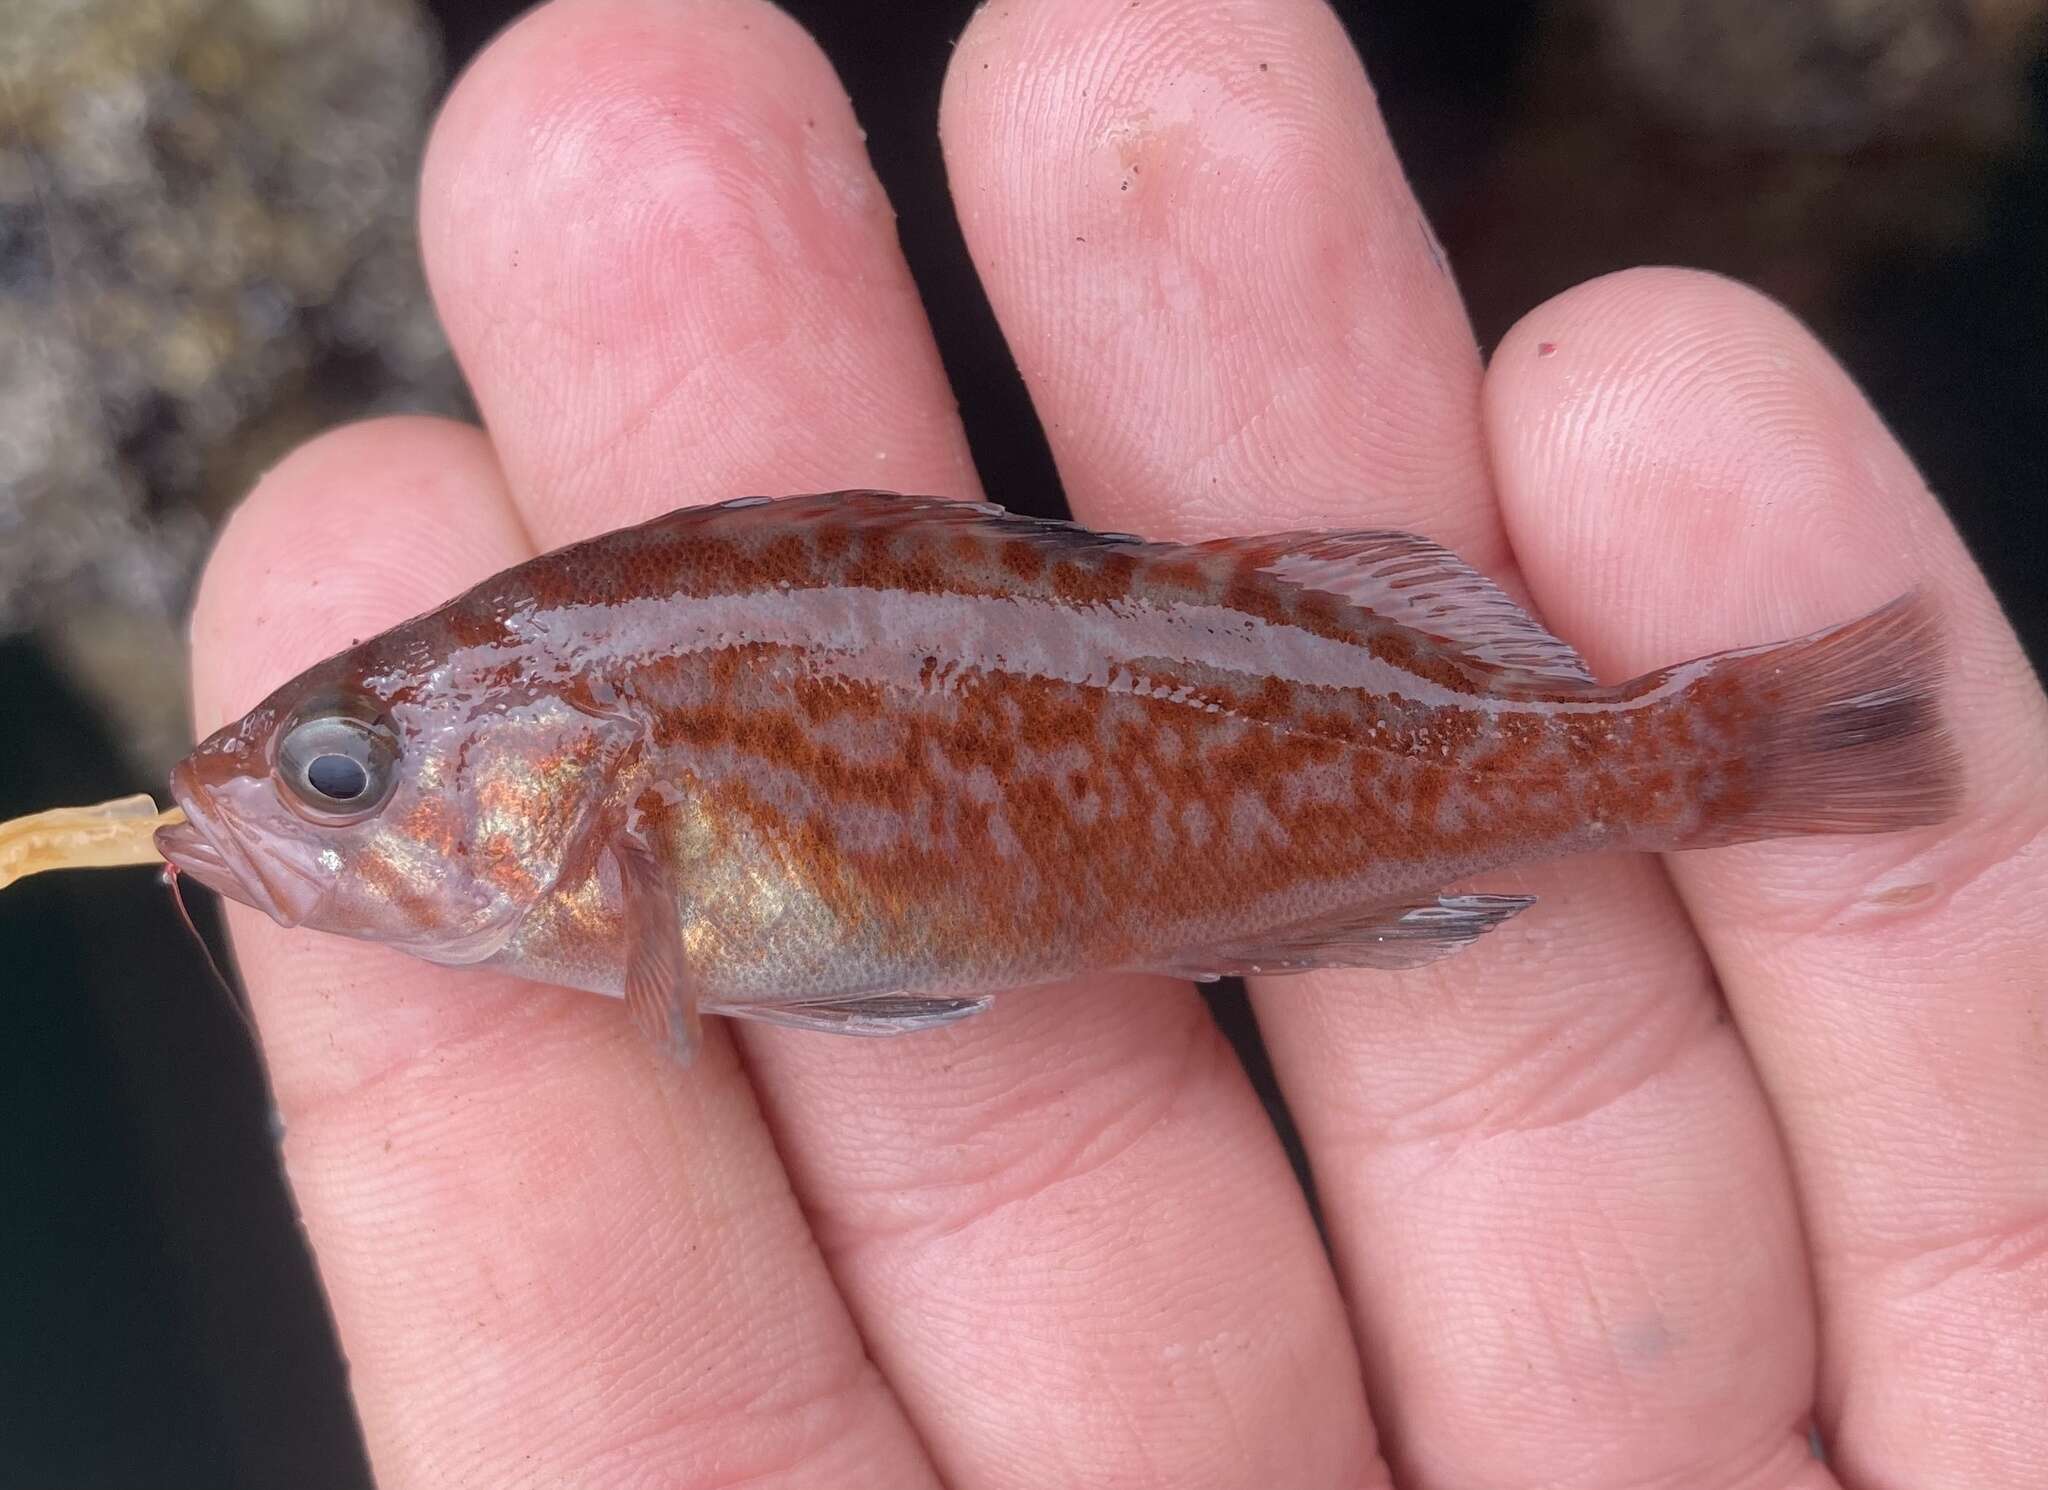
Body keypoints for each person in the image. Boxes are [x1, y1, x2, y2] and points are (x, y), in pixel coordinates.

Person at [188, 1, 2046, 1485]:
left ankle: (1730, 758)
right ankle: (1724, 756)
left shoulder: (634, 862)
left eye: (347, 774)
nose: (318, 810)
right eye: (343, 774)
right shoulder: (613, 807)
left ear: (578, 772)